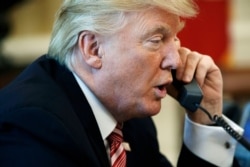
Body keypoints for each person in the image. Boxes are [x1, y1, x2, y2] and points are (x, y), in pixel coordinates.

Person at [0, 0, 243, 166]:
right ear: (93, 49)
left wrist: (206, 117)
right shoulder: (34, 126)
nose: (174, 59)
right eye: (157, 40)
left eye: (175, 38)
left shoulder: (131, 117)